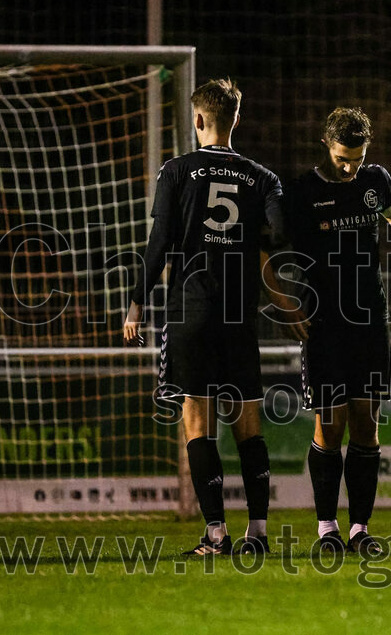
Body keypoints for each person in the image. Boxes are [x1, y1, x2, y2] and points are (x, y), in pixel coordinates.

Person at [124, 78, 307, 556]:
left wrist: (136, 301)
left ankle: (216, 534)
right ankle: (259, 532)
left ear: (199, 119)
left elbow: (160, 242)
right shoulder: (262, 177)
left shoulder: (176, 170)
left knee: (197, 420)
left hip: (191, 311)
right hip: (239, 315)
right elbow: (281, 232)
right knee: (248, 424)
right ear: (236, 120)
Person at [284, 107, 391, 556]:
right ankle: (327, 529)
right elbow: (271, 247)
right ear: (326, 145)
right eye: (343, 159)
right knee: (330, 425)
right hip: (324, 324)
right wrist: (283, 300)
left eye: (357, 159)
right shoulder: (303, 192)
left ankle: (360, 528)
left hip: (370, 321)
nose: (350, 168)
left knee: (366, 422)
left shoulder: (375, 181)